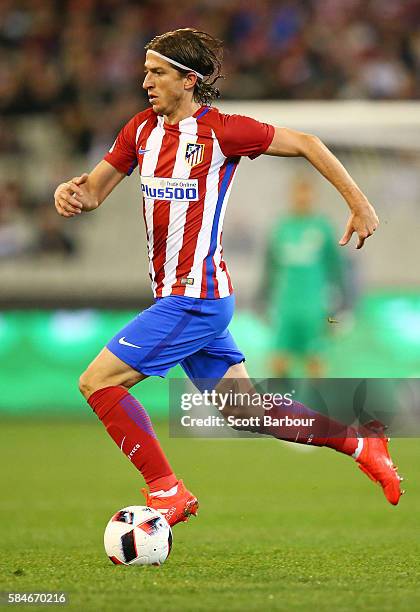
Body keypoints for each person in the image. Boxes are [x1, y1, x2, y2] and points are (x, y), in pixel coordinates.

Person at [54, 29, 403, 529]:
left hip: (195, 298)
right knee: (247, 411)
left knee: (98, 382)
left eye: (157, 72)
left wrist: (359, 202)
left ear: (188, 80)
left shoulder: (221, 132)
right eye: (146, 71)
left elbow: (307, 142)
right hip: (187, 297)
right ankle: (360, 442)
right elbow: (93, 193)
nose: (145, 81)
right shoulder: (139, 131)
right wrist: (69, 193)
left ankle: (167, 491)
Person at [265, 176, 345, 378]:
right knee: (278, 361)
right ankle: (281, 407)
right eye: (299, 191)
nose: (303, 197)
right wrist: (264, 300)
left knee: (316, 360)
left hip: (315, 305)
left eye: (307, 191)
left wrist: (342, 304)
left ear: (314, 195)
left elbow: (337, 267)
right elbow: (269, 268)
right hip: (286, 305)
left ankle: (316, 407)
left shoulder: (323, 227)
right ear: (291, 195)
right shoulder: (281, 227)